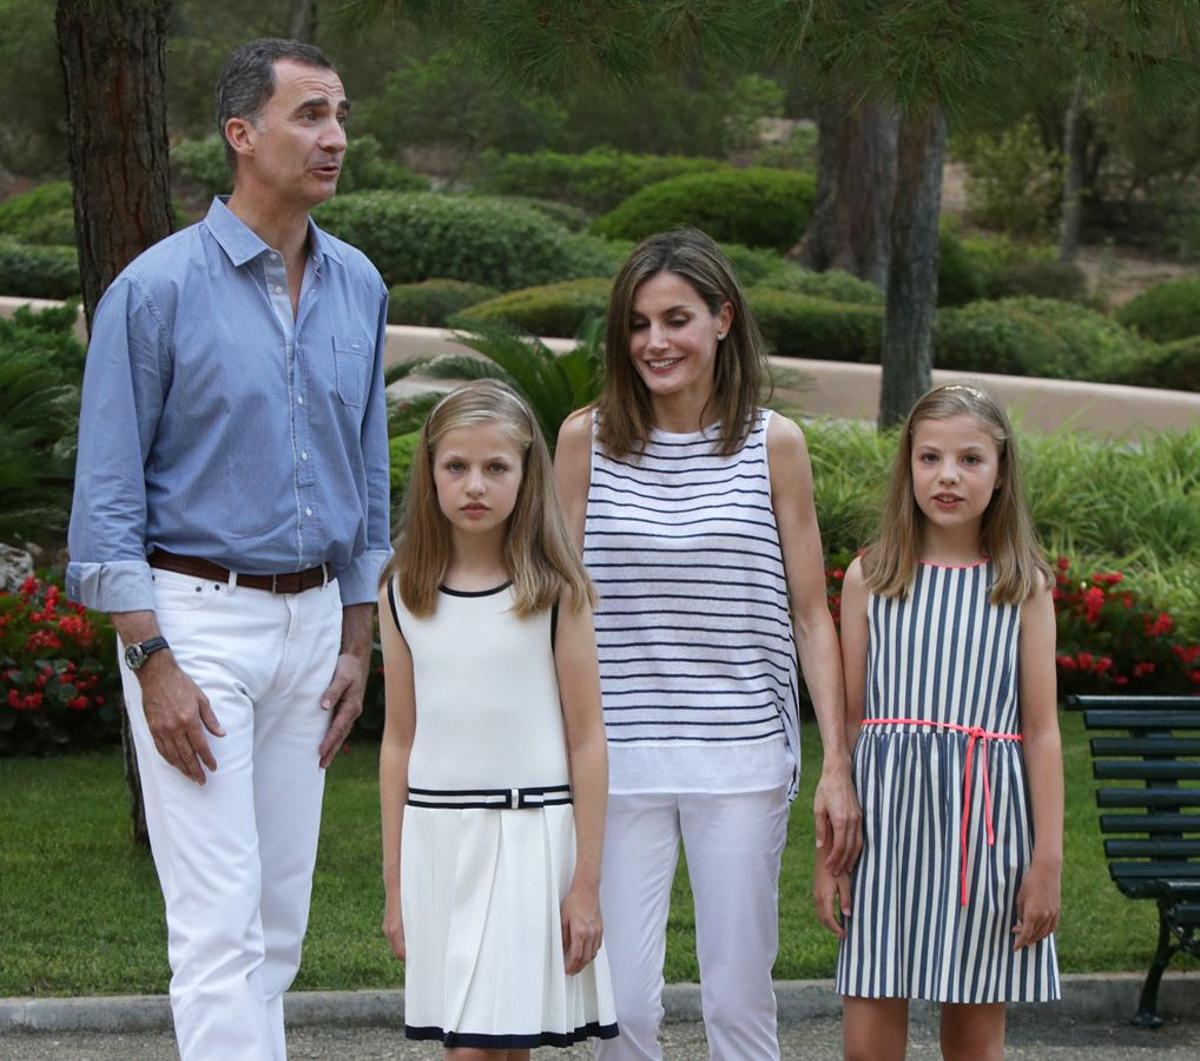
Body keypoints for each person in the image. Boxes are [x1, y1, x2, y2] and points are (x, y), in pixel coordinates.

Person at [65, 38, 390, 1060]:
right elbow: (108, 494)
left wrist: (358, 629)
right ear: (241, 135)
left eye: (339, 114)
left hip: (313, 630)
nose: (334, 136)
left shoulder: (359, 285)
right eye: (310, 115)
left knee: (279, 923)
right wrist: (150, 658)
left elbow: (366, 465)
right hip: (195, 620)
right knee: (217, 923)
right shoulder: (154, 291)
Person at [554, 227, 860, 1061]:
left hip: (742, 760)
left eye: (677, 318)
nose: (655, 342)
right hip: (614, 759)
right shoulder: (583, 440)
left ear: (724, 319)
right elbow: (555, 606)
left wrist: (837, 759)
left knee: (737, 1000)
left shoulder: (774, 444)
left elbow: (810, 615)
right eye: (639, 323)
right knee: (618, 1008)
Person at [818, 383, 1063, 1061]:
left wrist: (1047, 860)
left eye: (970, 459)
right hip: (884, 829)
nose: (947, 475)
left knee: (974, 1044)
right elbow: (852, 724)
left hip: (984, 832)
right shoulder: (873, 576)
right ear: (908, 467)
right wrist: (830, 855)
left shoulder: (1022, 585)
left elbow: (1042, 732)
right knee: (867, 1043)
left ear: (1001, 470)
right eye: (929, 457)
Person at [378, 380, 619, 1056]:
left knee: (488, 1045)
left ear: (526, 473)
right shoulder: (402, 591)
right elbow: (399, 740)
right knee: (485, 1043)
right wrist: (395, 884)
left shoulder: (555, 592)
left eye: (495, 467)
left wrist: (586, 882)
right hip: (439, 845)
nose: (475, 484)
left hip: (530, 840)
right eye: (456, 466)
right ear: (430, 474)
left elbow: (587, 738)